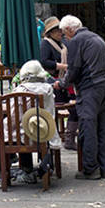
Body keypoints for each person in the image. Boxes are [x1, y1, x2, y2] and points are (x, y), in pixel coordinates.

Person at [0, 60, 61, 189]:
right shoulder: (48, 89)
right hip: (44, 134)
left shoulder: (19, 91)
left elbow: (12, 119)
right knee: (24, 130)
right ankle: (27, 171)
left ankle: (0, 175)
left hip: (23, 136)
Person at [59, 15, 105, 180]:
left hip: (90, 88)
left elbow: (74, 69)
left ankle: (91, 169)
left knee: (88, 126)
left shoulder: (76, 41)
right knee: (104, 127)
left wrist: (62, 84)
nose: (64, 36)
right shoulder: (97, 38)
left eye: (63, 32)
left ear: (69, 29)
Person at [39, 16, 76, 150]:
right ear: (50, 33)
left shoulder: (63, 44)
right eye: (57, 31)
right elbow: (43, 61)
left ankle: (69, 138)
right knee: (56, 110)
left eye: (60, 31)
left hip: (64, 82)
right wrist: (62, 66)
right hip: (53, 84)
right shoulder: (46, 43)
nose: (60, 33)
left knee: (75, 108)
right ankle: (53, 139)